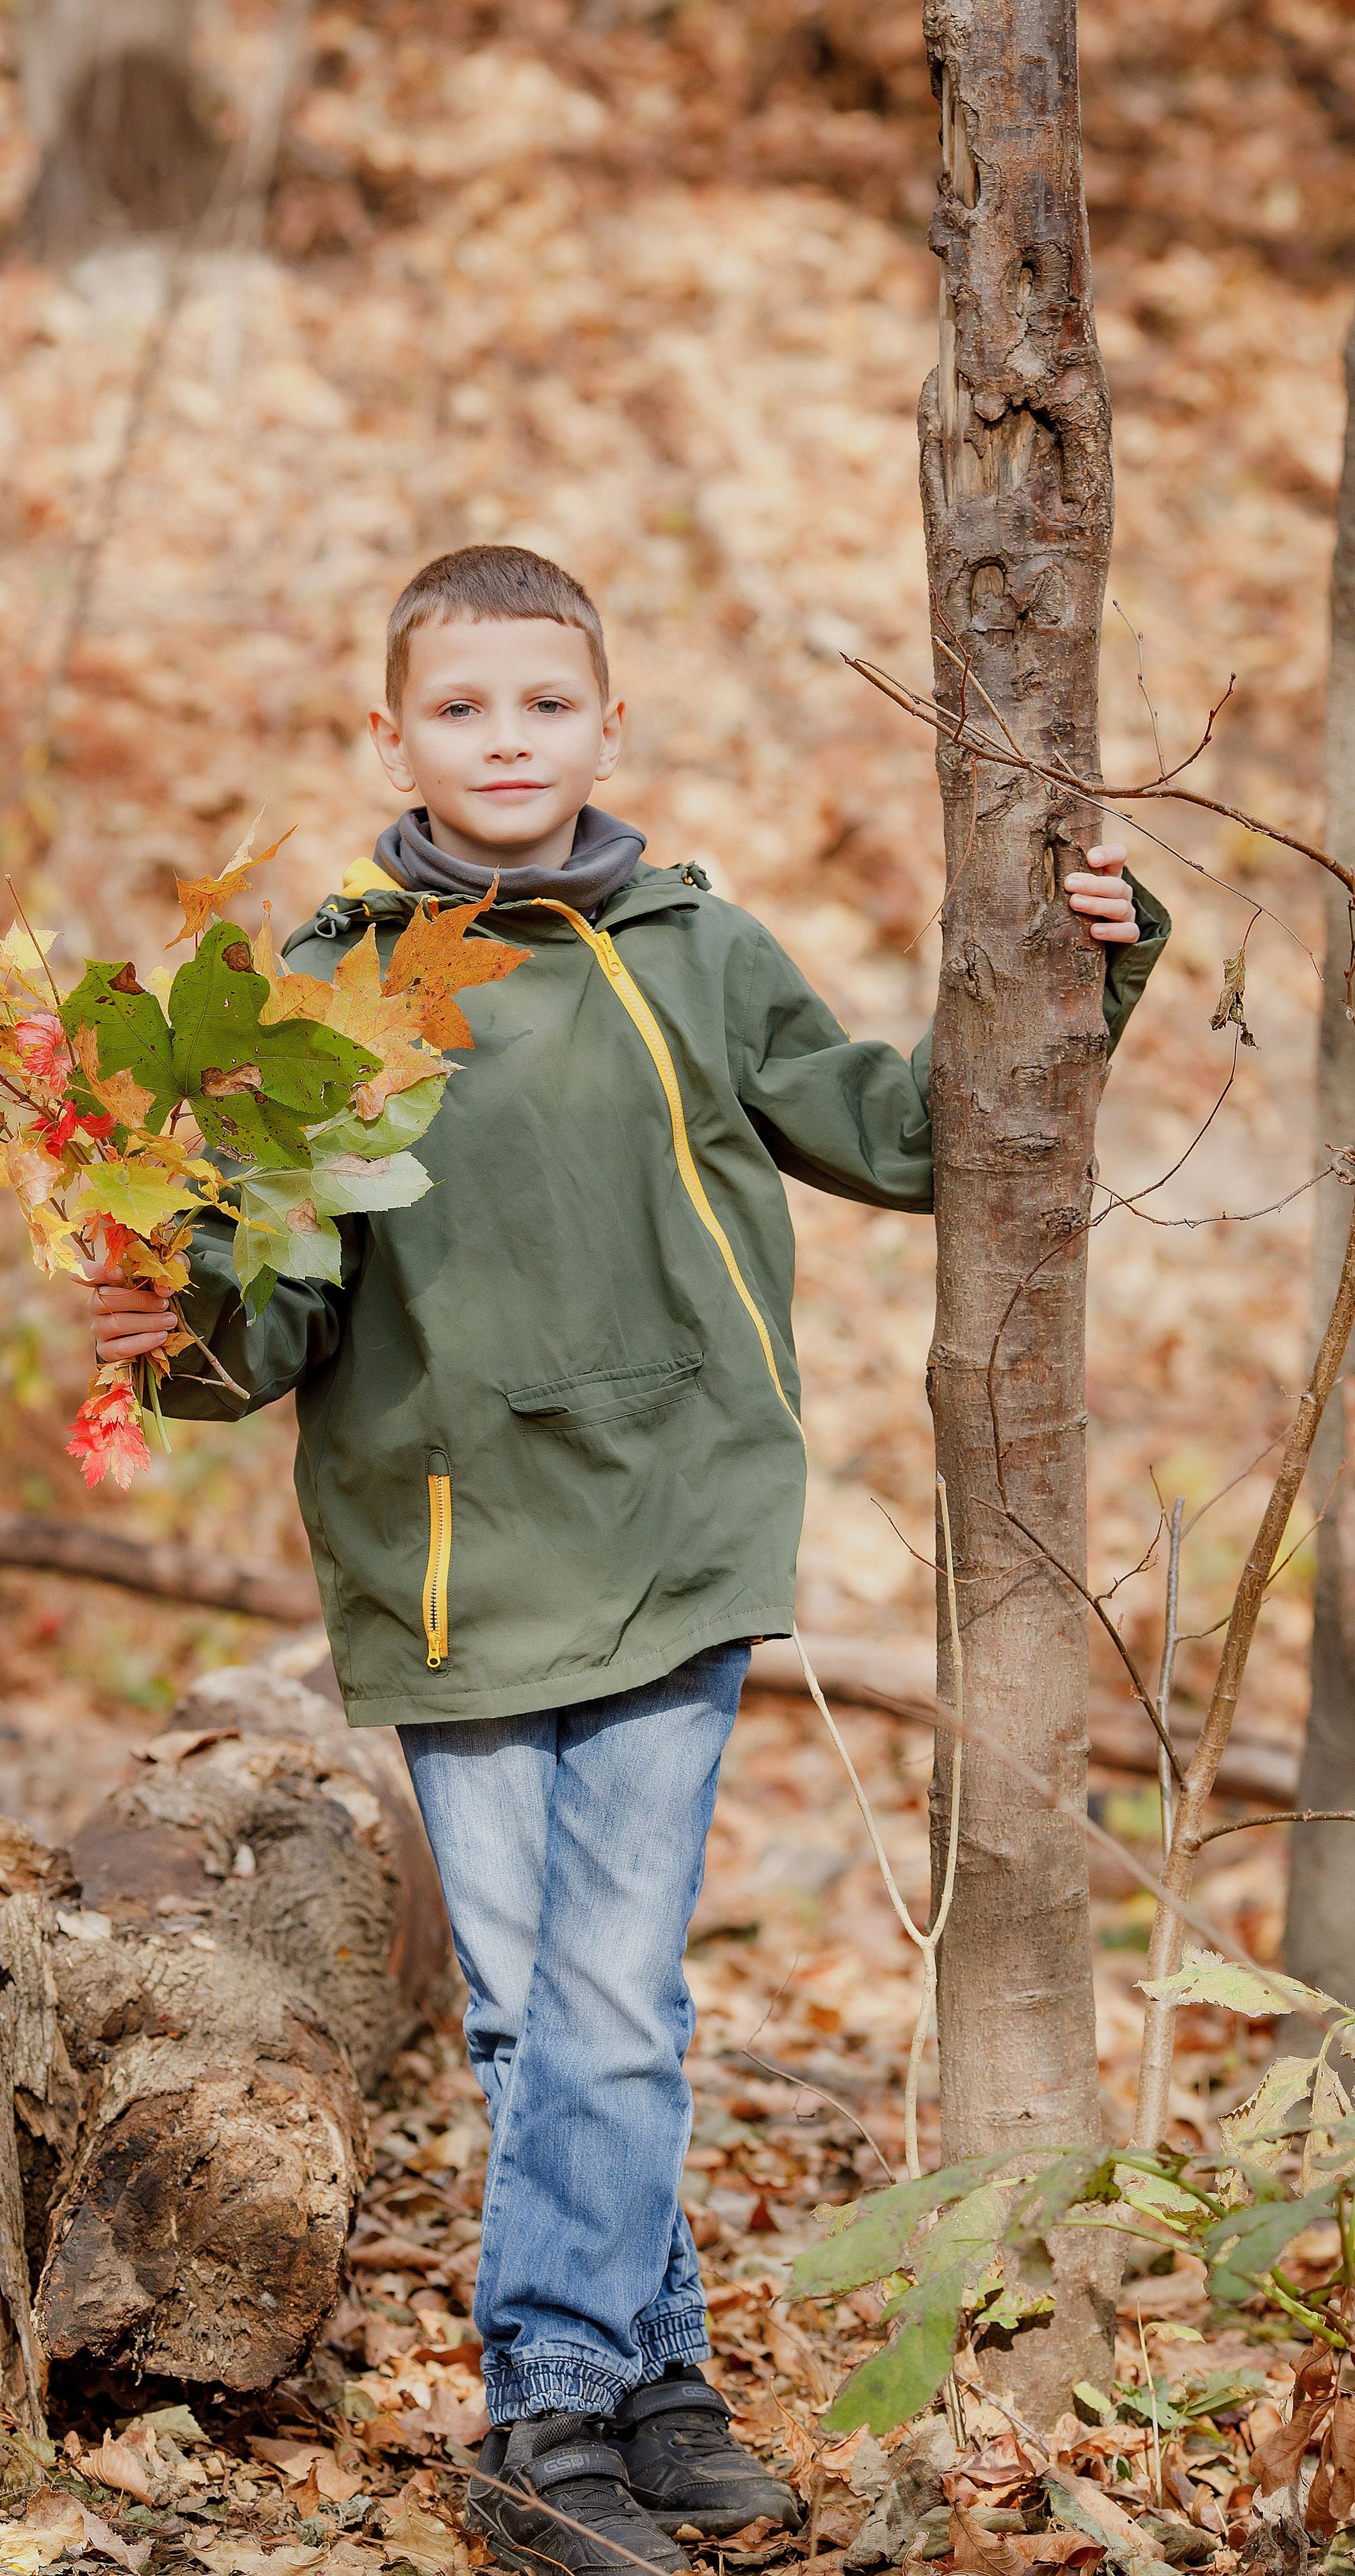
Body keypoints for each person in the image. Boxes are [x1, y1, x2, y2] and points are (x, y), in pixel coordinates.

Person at [87, 545, 1167, 2576]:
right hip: (452, 1563)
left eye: (545, 704)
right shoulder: (322, 994)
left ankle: (550, 2410)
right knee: (542, 2017)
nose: (506, 741)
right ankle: (655, 2382)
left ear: (609, 727)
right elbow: (273, 1322)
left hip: (676, 1527)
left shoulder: (697, 949)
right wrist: (177, 1313)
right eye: (461, 708)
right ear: (390, 740)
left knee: (602, 1999)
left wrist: (1078, 967)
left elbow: (915, 1136)